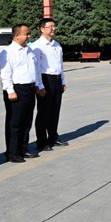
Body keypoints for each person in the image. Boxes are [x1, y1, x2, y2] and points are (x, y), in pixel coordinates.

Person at [0, 24, 43, 163]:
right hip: (16, 90)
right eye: (26, 34)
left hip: (29, 89)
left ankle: (23, 148)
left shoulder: (29, 50)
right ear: (17, 35)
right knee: (15, 123)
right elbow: (5, 73)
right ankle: (12, 152)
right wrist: (10, 91)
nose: (29, 36)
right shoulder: (8, 52)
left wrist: (37, 85)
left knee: (26, 121)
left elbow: (35, 70)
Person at [32, 17, 68, 153]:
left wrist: (62, 81)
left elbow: (60, 65)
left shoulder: (57, 45)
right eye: (50, 26)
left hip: (57, 79)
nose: (53, 29)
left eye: (54, 26)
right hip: (45, 79)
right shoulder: (37, 46)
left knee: (55, 110)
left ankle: (53, 136)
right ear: (42, 29)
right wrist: (39, 85)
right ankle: (41, 141)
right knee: (44, 111)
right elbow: (36, 68)